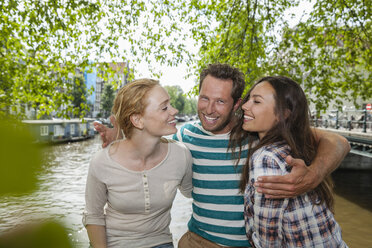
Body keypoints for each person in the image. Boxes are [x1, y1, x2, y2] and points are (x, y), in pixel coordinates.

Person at [95, 63, 350, 247]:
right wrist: (119, 137)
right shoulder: (185, 137)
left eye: (220, 101)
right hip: (197, 240)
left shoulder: (259, 134)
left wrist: (313, 175)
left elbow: (337, 141)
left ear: (237, 105)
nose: (208, 109)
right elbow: (147, 147)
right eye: (204, 98)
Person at [229, 76, 348, 247]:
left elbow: (268, 241)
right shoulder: (296, 145)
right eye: (249, 99)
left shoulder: (266, 157)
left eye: (256, 101)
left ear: (283, 114)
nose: (244, 106)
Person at [83, 79, 193, 248]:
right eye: (164, 107)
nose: (175, 111)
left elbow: (193, 192)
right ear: (138, 120)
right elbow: (93, 216)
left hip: (159, 242)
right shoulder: (102, 162)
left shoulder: (181, 155)